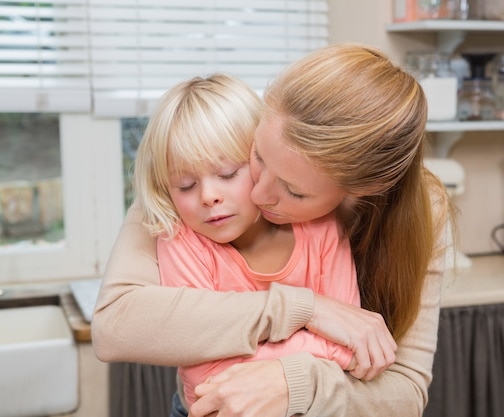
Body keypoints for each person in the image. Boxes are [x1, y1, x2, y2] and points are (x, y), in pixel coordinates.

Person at [92, 42, 455, 417]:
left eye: (293, 190)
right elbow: (115, 327)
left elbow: (405, 393)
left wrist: (293, 381)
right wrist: (305, 309)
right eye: (257, 158)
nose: (259, 193)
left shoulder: (408, 217)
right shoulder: (194, 190)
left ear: (360, 191)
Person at [131, 73, 361, 409]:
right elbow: (206, 376)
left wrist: (254, 361)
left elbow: (351, 340)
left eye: (226, 174)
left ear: (261, 160)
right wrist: (315, 351)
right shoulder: (183, 241)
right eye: (184, 185)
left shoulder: (321, 227)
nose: (209, 196)